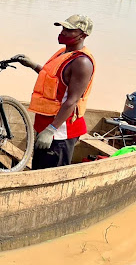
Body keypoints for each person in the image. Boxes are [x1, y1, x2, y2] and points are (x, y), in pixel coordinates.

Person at [14, 15, 95, 170]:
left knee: (51, 174)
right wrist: (33, 65)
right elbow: (54, 80)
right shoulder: (63, 53)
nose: (63, 32)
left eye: (69, 30)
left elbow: (72, 100)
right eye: (63, 28)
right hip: (45, 125)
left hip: (60, 131)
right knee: (38, 169)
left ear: (83, 35)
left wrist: (51, 130)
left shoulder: (81, 63)